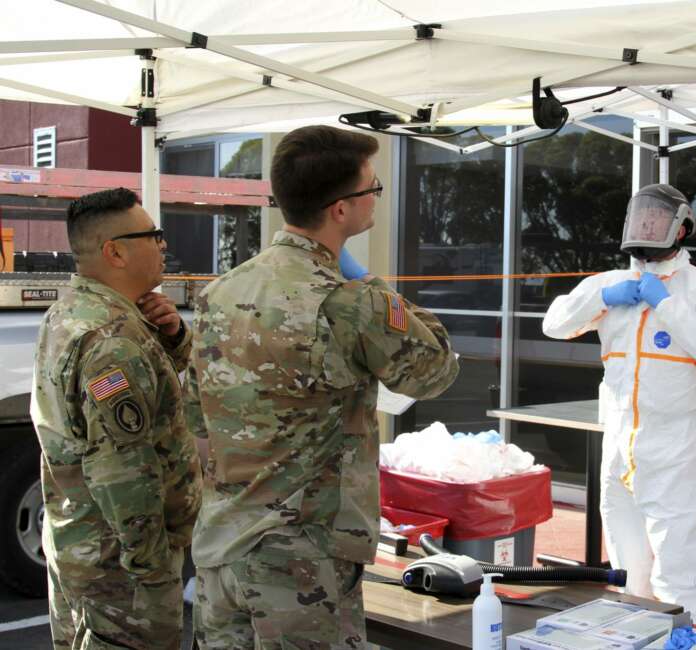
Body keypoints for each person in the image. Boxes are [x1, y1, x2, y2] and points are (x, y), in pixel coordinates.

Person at [186, 125, 459, 649]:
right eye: (373, 189)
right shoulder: (350, 303)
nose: (376, 199)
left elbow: (198, 423)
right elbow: (435, 369)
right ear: (341, 209)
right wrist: (374, 287)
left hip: (222, 548)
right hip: (302, 564)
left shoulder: (221, 291)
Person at [542, 184, 696, 623]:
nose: (647, 228)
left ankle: (692, 636)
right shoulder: (611, 284)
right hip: (618, 448)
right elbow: (554, 323)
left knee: (681, 575)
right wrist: (603, 299)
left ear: (682, 228)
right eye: (642, 219)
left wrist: (666, 305)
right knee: (629, 573)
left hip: (674, 450)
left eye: (657, 220)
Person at [30, 187, 202, 649]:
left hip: (84, 547)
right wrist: (149, 567)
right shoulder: (112, 340)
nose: (163, 245)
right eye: (154, 235)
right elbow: (122, 468)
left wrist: (171, 336)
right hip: (120, 571)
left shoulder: (74, 311)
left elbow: (150, 394)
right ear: (115, 251)